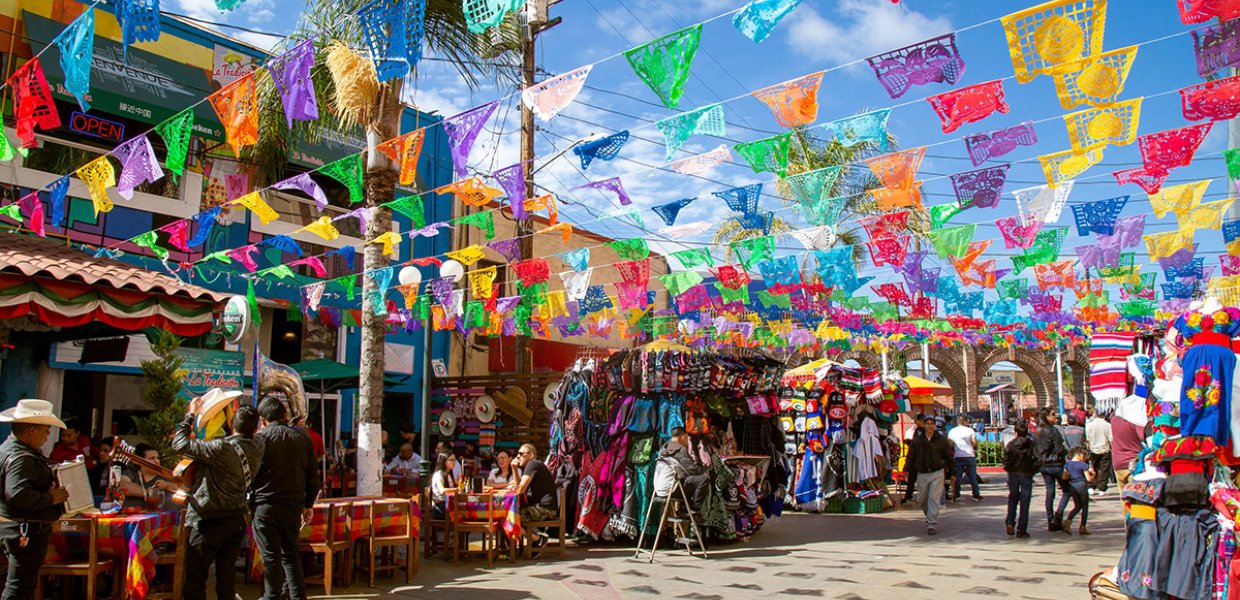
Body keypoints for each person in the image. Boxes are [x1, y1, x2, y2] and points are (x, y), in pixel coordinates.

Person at [172, 400, 263, 600]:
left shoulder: (220, 448)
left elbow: (179, 444)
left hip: (208, 519)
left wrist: (191, 415)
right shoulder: (258, 446)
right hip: (236, 518)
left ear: (233, 423)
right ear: (256, 427)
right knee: (226, 579)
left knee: (195, 579)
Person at [0, 400, 70, 600]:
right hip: (24, 528)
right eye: (46, 431)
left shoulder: (7, 449)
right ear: (31, 430)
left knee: (22, 587)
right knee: (19, 589)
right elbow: (17, 493)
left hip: (13, 526)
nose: (48, 435)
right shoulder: (22, 457)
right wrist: (51, 498)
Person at [251, 396, 319, 600]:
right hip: (292, 507)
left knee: (271, 558)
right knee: (290, 556)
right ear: (284, 416)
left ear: (263, 420)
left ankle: (271, 596)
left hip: (265, 506)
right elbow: (313, 474)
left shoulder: (259, 440)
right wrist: (308, 504)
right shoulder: (302, 438)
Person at [903, 414, 955, 535]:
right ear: (924, 425)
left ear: (934, 425)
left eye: (932, 424)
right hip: (922, 473)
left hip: (937, 472)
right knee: (922, 499)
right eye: (927, 424)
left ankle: (932, 524)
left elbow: (949, 457)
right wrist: (906, 469)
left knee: (934, 499)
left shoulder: (941, 440)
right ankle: (930, 516)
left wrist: (953, 473)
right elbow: (910, 457)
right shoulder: (917, 441)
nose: (930, 426)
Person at [510, 443, 559, 552]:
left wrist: (516, 488)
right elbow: (520, 490)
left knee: (510, 517)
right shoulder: (530, 466)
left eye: (521, 454)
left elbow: (520, 489)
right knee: (510, 515)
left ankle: (538, 539)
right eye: (517, 454)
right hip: (540, 507)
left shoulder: (533, 464)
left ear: (531, 455)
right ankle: (533, 540)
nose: (517, 456)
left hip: (546, 508)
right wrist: (514, 469)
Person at [1034, 407, 1072, 531]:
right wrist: (1065, 452)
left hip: (1044, 466)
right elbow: (1059, 449)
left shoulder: (1038, 431)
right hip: (1055, 464)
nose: (1055, 417)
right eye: (1053, 414)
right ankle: (1058, 516)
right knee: (1067, 490)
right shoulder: (1053, 430)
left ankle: (1050, 519)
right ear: (1046, 416)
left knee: (1050, 492)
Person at [119, 443, 180, 511]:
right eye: (152, 458)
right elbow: (123, 486)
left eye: (157, 458)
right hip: (132, 516)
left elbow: (180, 488)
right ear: (139, 461)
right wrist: (148, 493)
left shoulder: (164, 476)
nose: (156, 461)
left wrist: (167, 485)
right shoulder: (130, 473)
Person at [658, 427, 710, 507]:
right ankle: (695, 509)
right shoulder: (680, 449)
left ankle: (683, 508)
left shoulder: (663, 449)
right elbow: (692, 470)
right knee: (704, 478)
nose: (687, 442)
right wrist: (704, 469)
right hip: (672, 489)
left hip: (659, 489)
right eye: (687, 438)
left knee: (687, 480)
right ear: (683, 437)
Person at [1003, 421, 1037, 538]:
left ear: (1016, 433)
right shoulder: (1031, 444)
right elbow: (1038, 459)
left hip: (1013, 474)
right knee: (1025, 501)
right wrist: (1033, 470)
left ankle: (1010, 522)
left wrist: (1008, 468)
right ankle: (1022, 529)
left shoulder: (1010, 445)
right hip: (1026, 474)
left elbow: (1005, 459)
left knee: (1013, 498)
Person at [947, 415, 982, 502]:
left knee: (958, 477)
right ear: (965, 422)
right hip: (970, 455)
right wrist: (974, 447)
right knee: (973, 476)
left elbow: (950, 444)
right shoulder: (970, 430)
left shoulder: (952, 431)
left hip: (958, 456)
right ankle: (976, 495)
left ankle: (957, 495)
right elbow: (974, 442)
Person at [1062, 447, 1096, 535]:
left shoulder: (1067, 464)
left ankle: (1068, 521)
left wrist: (1070, 475)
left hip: (1073, 486)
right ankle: (1082, 527)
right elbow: (1088, 479)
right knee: (1085, 507)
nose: (1084, 459)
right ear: (1081, 455)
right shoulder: (1082, 465)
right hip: (1082, 485)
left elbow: (1064, 477)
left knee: (1077, 506)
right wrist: (1093, 475)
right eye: (1084, 457)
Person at [1085, 411, 1113, 496]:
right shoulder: (1108, 425)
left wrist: (1088, 449)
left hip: (1093, 450)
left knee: (1093, 468)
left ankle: (1091, 486)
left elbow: (1087, 439)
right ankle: (1102, 488)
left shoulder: (1089, 425)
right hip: (1105, 450)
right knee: (1104, 470)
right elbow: (1111, 439)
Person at [902, 414, 925, 504]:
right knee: (912, 479)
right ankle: (908, 496)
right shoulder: (916, 431)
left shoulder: (925, 431)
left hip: (923, 459)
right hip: (914, 458)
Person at [429, 452, 457, 519]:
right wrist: (457, 489)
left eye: (454, 460)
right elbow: (442, 490)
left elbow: (459, 484)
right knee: (461, 510)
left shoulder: (449, 474)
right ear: (444, 462)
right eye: (451, 460)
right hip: (440, 508)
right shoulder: (438, 475)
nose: (454, 462)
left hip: (447, 504)